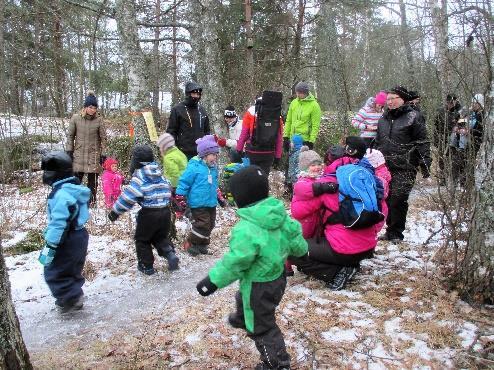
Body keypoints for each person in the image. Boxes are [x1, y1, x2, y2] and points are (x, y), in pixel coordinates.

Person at [195, 165, 308, 370]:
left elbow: (236, 262)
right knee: (244, 298)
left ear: (240, 198)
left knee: (262, 327)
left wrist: (212, 281)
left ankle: (276, 363)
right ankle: (242, 317)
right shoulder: (279, 214)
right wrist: (303, 251)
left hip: (259, 284)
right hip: (278, 277)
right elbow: (295, 238)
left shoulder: (246, 229)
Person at [291, 141, 391, 290]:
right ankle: (349, 262)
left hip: (345, 249)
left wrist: (309, 188)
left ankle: (337, 272)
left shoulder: (328, 185)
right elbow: (383, 208)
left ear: (327, 163)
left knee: (290, 248)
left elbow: (297, 211)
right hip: (369, 247)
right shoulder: (364, 179)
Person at [108, 145, 179, 275]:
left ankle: (146, 266)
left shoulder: (140, 176)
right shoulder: (159, 174)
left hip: (149, 214)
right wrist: (175, 204)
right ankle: (169, 253)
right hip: (165, 212)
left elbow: (128, 197)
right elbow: (168, 190)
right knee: (160, 237)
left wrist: (115, 212)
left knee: (142, 240)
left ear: (136, 161)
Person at [375, 86, 431, 242]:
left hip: (406, 166)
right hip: (385, 166)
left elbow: (422, 141)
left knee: (398, 199)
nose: (390, 102)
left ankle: (396, 232)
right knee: (386, 198)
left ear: (403, 100)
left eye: (394, 98)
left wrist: (425, 162)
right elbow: (378, 141)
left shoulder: (414, 116)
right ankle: (390, 230)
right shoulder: (383, 119)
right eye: (388, 99)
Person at [38, 151, 90, 313]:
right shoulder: (73, 189)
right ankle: (71, 295)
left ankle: (71, 298)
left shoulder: (61, 194)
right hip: (79, 235)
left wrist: (51, 243)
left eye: (47, 171)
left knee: (53, 270)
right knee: (71, 268)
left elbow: (60, 222)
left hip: (67, 238)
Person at [176, 135, 220, 256]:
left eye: (216, 155)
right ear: (204, 155)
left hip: (211, 202)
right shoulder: (194, 167)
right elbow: (184, 182)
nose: (215, 158)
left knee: (211, 224)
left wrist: (219, 197)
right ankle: (190, 243)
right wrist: (180, 195)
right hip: (198, 203)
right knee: (202, 224)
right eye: (213, 155)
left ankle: (201, 244)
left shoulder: (213, 168)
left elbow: (214, 185)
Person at [66, 91, 107, 206]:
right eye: (90, 107)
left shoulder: (99, 120)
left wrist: (104, 154)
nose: (92, 109)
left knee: (92, 183)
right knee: (75, 182)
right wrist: (69, 150)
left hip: (93, 157)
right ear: (85, 107)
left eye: (94, 107)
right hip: (78, 156)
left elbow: (104, 139)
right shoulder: (75, 118)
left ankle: (91, 203)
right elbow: (70, 136)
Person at [236, 98, 283, 175]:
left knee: (252, 177)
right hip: (269, 152)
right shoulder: (276, 114)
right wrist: (278, 156)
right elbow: (279, 138)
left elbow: (244, 133)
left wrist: (239, 149)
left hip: (252, 151)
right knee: (263, 178)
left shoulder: (251, 112)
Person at [166, 81, 211, 160]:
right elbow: (171, 131)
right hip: (183, 153)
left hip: (200, 153)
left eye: (198, 94)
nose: (196, 96)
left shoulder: (202, 110)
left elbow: (207, 131)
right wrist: (172, 150)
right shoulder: (177, 110)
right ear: (188, 94)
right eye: (194, 94)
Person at [283, 82, 321, 150]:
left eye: (300, 93)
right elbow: (289, 121)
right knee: (292, 160)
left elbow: (315, 125)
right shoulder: (293, 103)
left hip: (305, 141)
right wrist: (286, 137)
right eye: (297, 92)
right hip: (292, 141)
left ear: (305, 93)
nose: (297, 94)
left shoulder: (314, 105)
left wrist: (311, 141)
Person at [433, 94, 461, 184]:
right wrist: (436, 140)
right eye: (449, 102)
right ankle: (444, 178)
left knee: (455, 159)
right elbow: (436, 126)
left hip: (456, 139)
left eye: (452, 102)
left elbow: (464, 125)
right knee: (442, 159)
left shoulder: (460, 111)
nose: (450, 104)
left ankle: (455, 179)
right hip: (442, 139)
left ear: (456, 101)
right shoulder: (441, 111)